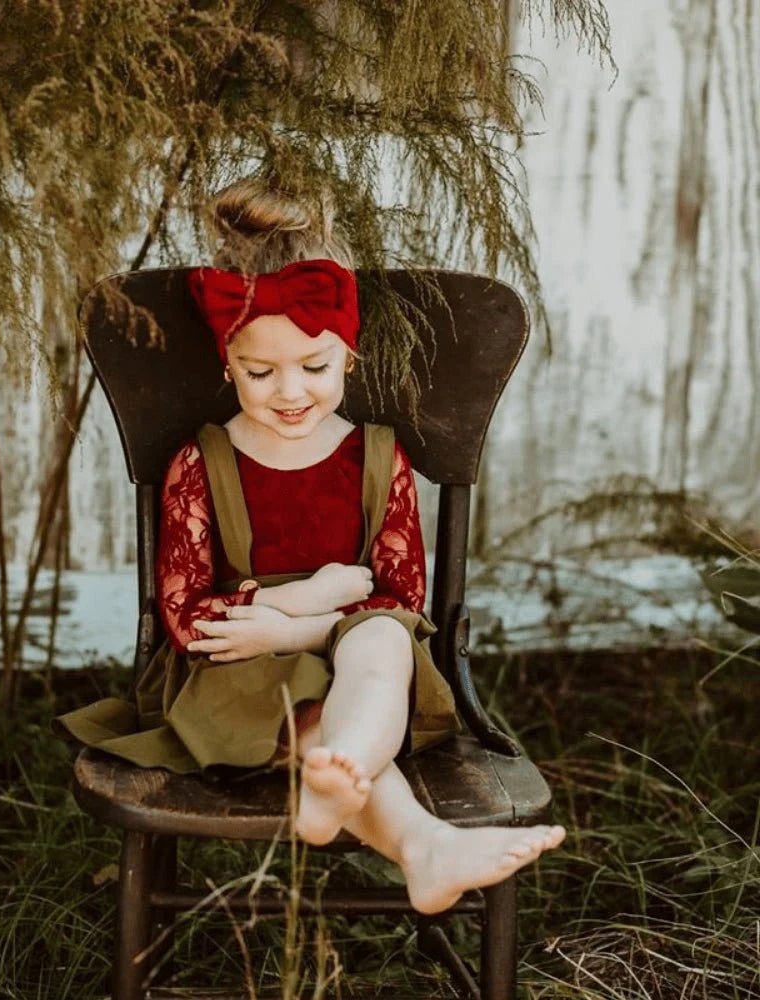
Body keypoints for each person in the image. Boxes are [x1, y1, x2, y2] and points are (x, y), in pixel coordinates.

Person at [55, 179, 565, 915]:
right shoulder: (204, 463)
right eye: (260, 372)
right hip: (240, 670)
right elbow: (188, 618)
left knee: (384, 641)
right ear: (226, 364)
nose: (289, 391)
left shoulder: (376, 457)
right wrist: (293, 604)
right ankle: (418, 839)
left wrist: (309, 620)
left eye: (314, 367)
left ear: (348, 357)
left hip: (356, 659)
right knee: (318, 711)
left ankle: (345, 775)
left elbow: (402, 599)